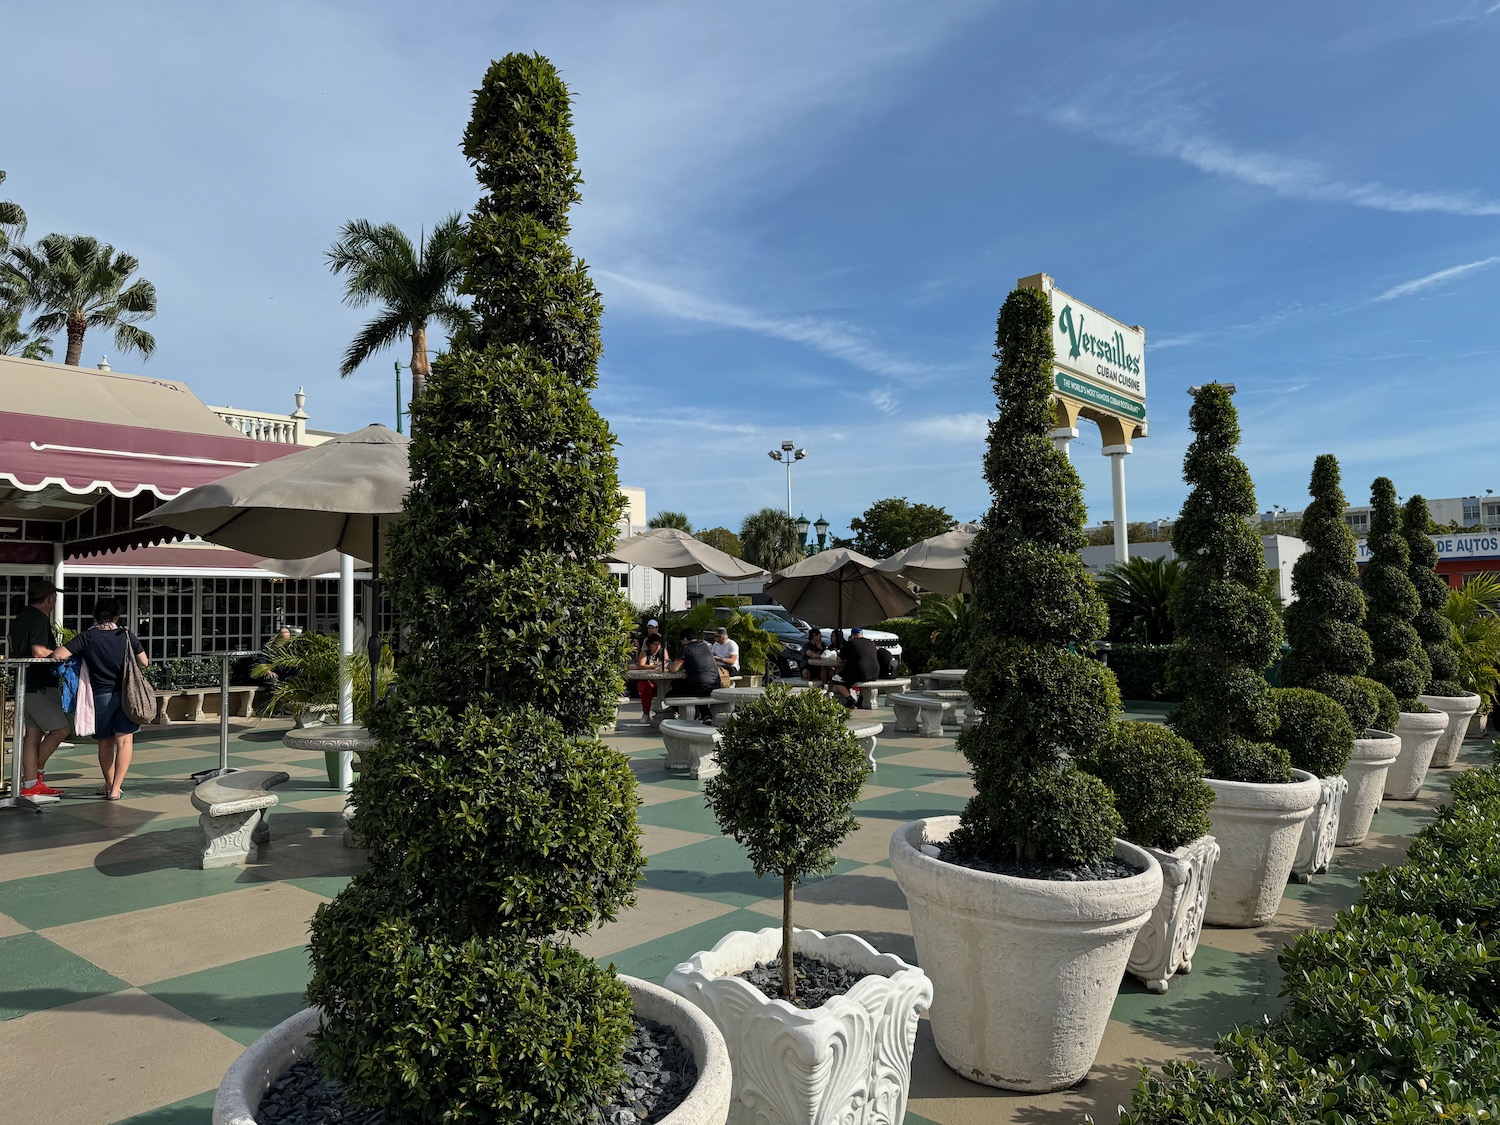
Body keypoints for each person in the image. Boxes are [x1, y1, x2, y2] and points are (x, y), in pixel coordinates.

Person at [52, 598, 148, 801]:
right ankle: (116, 789)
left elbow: (58, 655)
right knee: (124, 741)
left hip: (100, 696)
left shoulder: (87, 637)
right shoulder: (126, 635)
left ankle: (108, 784)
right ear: (117, 616)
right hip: (126, 694)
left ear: (95, 615)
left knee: (105, 743)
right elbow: (144, 662)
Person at [6, 579, 68, 799]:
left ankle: (30, 783)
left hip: (25, 684)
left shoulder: (20, 618)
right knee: (61, 730)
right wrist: (62, 654)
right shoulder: (40, 619)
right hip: (40, 685)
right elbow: (39, 651)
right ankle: (36, 775)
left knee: (33, 734)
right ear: (51, 598)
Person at [669, 631, 719, 721]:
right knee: (687, 686)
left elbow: (674, 669)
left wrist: (667, 665)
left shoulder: (686, 648)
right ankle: (705, 714)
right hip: (716, 683)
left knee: (670, 695)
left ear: (684, 639)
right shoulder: (705, 646)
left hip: (700, 685)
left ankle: (692, 715)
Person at [830, 626, 881, 710]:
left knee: (836, 679)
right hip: (875, 672)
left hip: (859, 671)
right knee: (855, 679)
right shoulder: (871, 643)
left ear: (853, 635)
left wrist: (839, 653)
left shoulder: (851, 643)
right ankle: (861, 698)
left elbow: (839, 660)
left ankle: (850, 699)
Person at [633, 633, 671, 720]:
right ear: (649, 645)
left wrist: (655, 665)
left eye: (658, 644)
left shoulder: (663, 652)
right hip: (647, 680)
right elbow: (641, 665)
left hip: (661, 681)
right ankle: (646, 714)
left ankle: (672, 711)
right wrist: (655, 666)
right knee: (645, 687)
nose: (657, 646)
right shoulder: (645, 653)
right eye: (655, 644)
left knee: (669, 687)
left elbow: (667, 663)